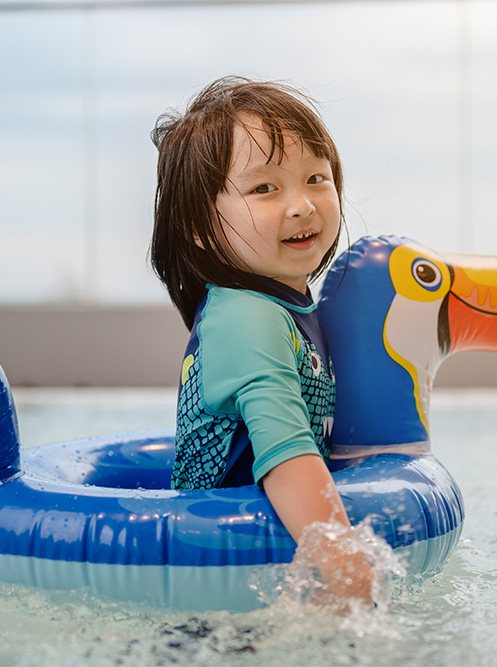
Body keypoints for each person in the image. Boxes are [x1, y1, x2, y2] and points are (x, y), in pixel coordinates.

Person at [150, 76, 374, 605]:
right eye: (264, 188)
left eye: (316, 178)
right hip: (221, 581)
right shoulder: (247, 314)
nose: (301, 205)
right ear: (201, 224)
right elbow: (286, 454)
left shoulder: (291, 307)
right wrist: (346, 569)